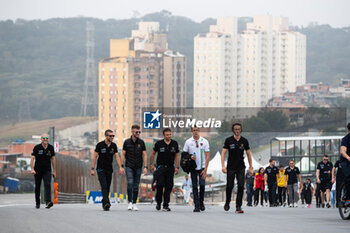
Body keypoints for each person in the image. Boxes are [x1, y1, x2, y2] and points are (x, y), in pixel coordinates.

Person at [221, 123, 254, 213]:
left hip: (241, 167)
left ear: (241, 130)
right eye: (235, 129)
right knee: (229, 186)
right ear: (233, 130)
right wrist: (223, 166)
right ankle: (227, 202)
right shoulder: (228, 140)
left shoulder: (244, 141)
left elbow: (248, 154)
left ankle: (238, 206)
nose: (237, 130)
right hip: (231, 167)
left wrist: (251, 167)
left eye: (239, 129)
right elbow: (223, 152)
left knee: (240, 186)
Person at [91, 129, 124, 211]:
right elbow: (95, 157)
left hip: (109, 169)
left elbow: (117, 156)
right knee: (104, 185)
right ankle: (107, 203)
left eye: (113, 136)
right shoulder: (100, 145)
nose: (112, 137)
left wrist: (120, 167)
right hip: (100, 169)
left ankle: (104, 200)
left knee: (108, 186)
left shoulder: (114, 146)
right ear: (106, 136)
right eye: (110, 136)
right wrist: (92, 168)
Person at [150, 128, 180, 211]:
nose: (169, 136)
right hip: (160, 168)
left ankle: (166, 204)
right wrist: (151, 165)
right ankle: (158, 202)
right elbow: (153, 154)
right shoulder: (159, 144)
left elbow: (177, 155)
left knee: (169, 186)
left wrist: (177, 167)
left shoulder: (174, 143)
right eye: (167, 135)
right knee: (159, 185)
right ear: (164, 135)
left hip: (170, 168)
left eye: (170, 134)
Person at [183, 125, 210, 212]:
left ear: (199, 131)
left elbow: (207, 156)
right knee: (194, 186)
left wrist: (205, 169)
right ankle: (197, 205)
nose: (195, 132)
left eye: (197, 130)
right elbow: (184, 155)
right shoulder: (188, 142)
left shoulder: (204, 141)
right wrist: (190, 156)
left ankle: (201, 201)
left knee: (202, 185)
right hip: (193, 167)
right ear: (192, 131)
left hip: (202, 167)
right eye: (194, 130)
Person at [121, 125, 148, 211]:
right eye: (137, 132)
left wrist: (145, 167)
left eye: (139, 132)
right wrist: (121, 166)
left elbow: (145, 155)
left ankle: (134, 203)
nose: (138, 133)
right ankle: (129, 202)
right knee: (130, 183)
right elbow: (123, 154)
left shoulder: (141, 142)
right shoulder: (126, 142)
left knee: (136, 185)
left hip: (138, 166)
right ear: (132, 132)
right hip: (129, 166)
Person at [30, 133, 56, 209]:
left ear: (48, 139)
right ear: (41, 139)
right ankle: (37, 202)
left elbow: (53, 159)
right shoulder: (37, 147)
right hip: (37, 170)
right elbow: (32, 158)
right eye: (44, 138)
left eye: (47, 138)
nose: (45, 139)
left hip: (47, 170)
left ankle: (48, 202)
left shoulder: (51, 148)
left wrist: (54, 171)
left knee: (47, 184)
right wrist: (32, 169)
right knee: (37, 186)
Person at [340, 122, 350, 207]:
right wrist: (347, 157)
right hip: (346, 161)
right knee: (348, 176)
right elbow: (343, 151)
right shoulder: (346, 139)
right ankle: (347, 198)